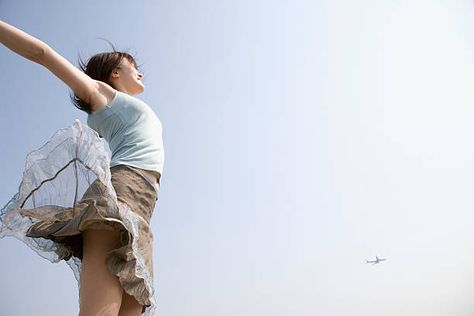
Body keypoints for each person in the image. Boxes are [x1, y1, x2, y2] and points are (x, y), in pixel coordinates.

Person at [0, 19, 164, 316]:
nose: (140, 70)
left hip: (143, 205)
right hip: (123, 192)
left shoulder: (120, 108)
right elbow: (42, 53)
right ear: (115, 72)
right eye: (132, 65)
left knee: (130, 307)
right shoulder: (103, 95)